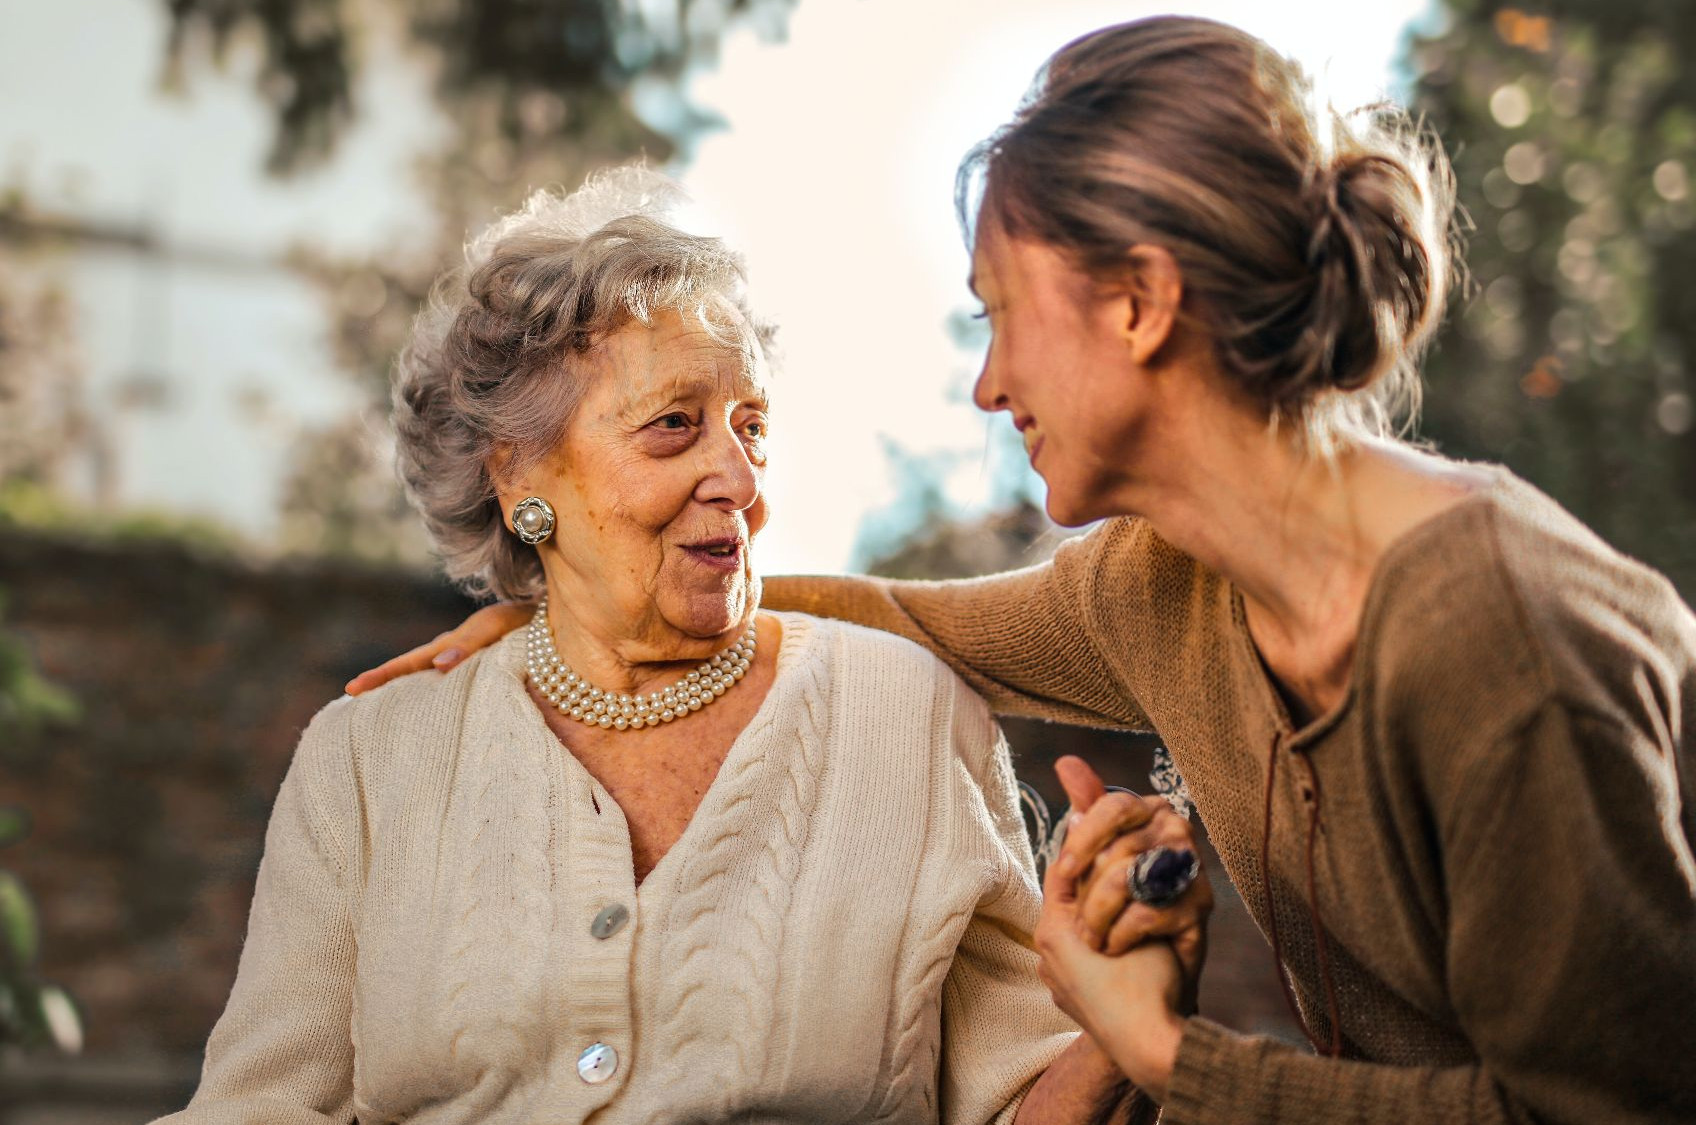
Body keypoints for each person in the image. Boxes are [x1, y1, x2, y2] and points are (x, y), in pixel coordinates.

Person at [347, 17, 1696, 1125]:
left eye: (1001, 317)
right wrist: (569, 614)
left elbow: (1607, 1112)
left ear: (1140, 302)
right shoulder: (1163, 586)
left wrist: (1170, 1057)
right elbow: (896, 616)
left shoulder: (1498, 640)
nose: (987, 386)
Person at [160, 167, 1191, 1125]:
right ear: (518, 477)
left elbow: (1017, 1102)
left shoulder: (905, 715)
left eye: (750, 426)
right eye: (672, 427)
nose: (739, 483)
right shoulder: (368, 760)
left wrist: (1114, 1032)